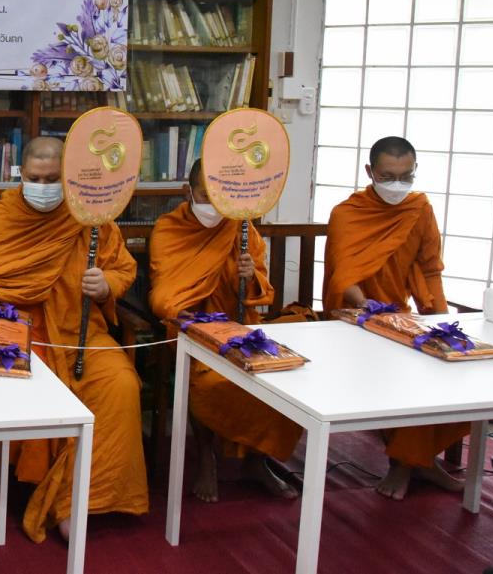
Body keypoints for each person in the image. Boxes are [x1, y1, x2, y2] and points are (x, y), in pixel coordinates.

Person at [0, 136, 148, 543]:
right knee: (30, 386)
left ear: (67, 177)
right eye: (35, 178)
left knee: (120, 384)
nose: (44, 187)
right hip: (19, 330)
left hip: (79, 332)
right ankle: (51, 492)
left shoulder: (89, 213)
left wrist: (105, 285)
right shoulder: (4, 214)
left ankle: (79, 499)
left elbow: (122, 269)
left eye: (53, 179)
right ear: (22, 175)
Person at [149, 159, 301, 502]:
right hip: (192, 328)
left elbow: (260, 291)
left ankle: (256, 460)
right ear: (187, 192)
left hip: (240, 326)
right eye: (206, 195)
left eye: (221, 196)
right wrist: (189, 318)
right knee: (210, 381)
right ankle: (207, 456)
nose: (214, 205)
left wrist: (247, 275)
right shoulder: (170, 228)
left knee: (282, 377)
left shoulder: (241, 227)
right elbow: (164, 293)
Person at [323, 135, 466, 500]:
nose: (397, 185)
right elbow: (344, 278)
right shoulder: (347, 213)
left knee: (456, 369)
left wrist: (441, 324)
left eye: (406, 176)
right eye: (388, 177)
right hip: (353, 318)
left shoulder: (419, 209)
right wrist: (373, 310)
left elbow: (430, 269)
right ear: (370, 171)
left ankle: (417, 459)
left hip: (401, 317)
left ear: (415, 171)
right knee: (401, 372)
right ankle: (405, 464)